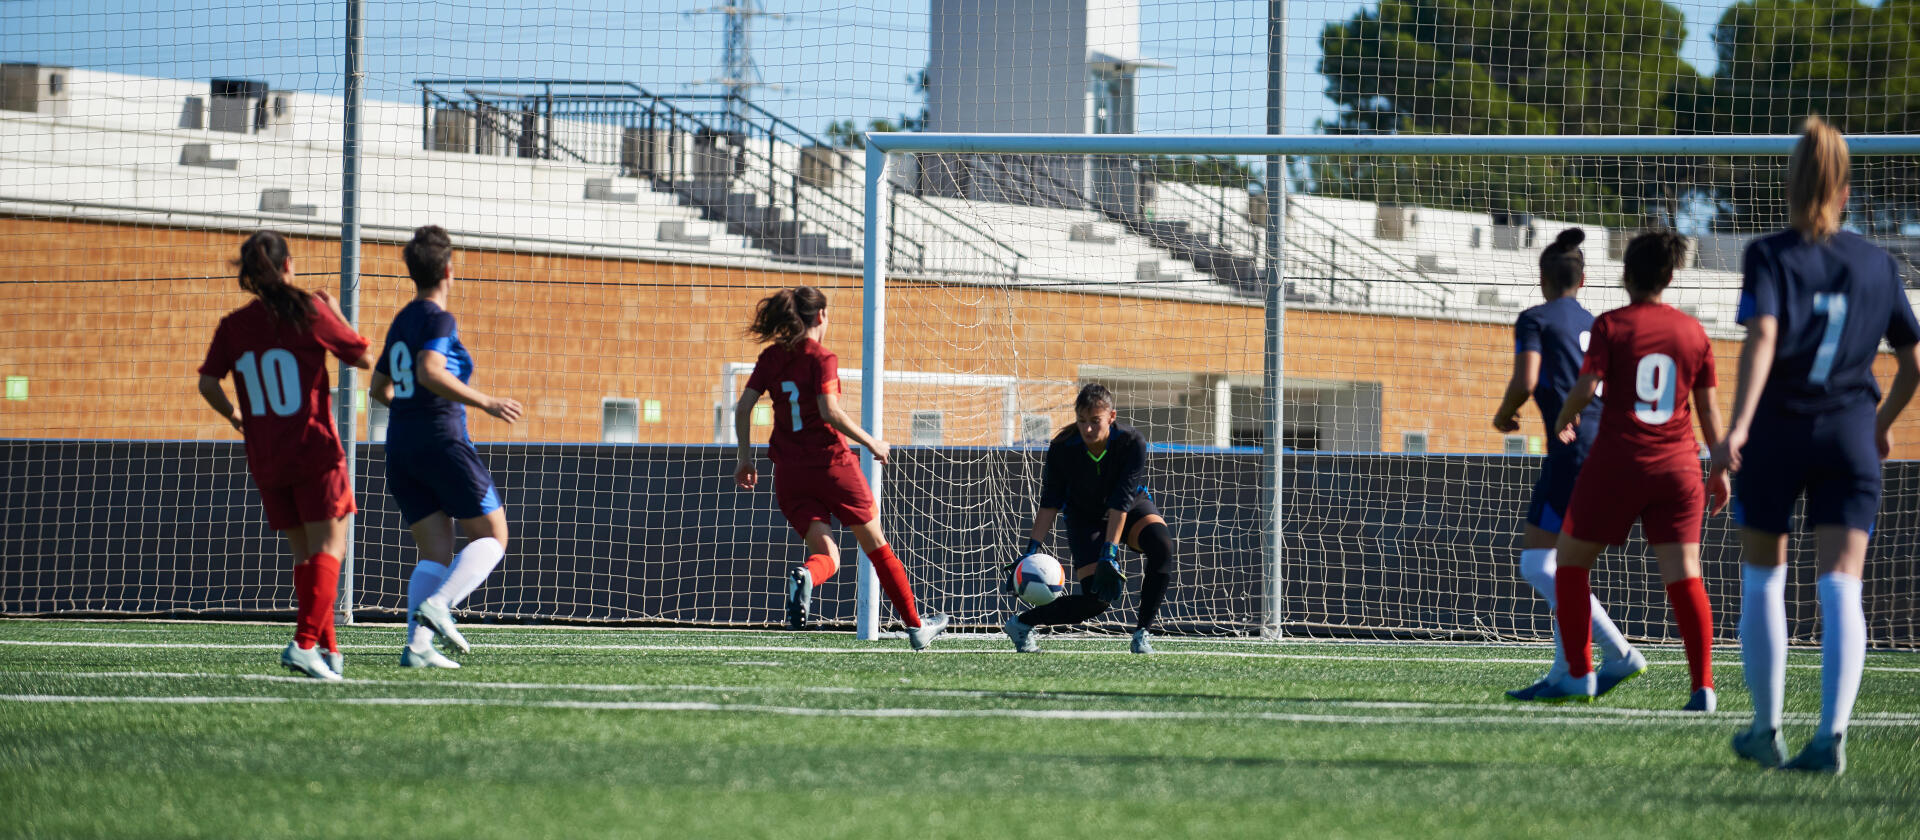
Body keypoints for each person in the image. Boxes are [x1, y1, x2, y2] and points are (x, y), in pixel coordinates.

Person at [1714, 118, 1920, 774]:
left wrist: (1738, 427)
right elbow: (1915, 360)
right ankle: (1830, 738)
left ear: (1792, 183)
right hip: (1850, 436)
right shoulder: (1879, 262)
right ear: (1847, 190)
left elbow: (1764, 336)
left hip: (1777, 432)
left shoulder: (1769, 253)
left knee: (1763, 580)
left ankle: (1767, 729)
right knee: (1840, 586)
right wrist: (1882, 423)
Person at [1536, 230, 1730, 710]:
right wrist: (1720, 468)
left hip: (1619, 462)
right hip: (1679, 467)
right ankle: (1702, 687)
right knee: (1685, 574)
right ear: (1670, 275)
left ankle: (1579, 674)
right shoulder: (1694, 332)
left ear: (1626, 275)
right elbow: (1708, 411)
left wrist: (1563, 418)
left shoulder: (1612, 325)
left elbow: (1586, 386)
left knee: (1570, 563)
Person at [732, 285, 949, 649]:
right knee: (877, 546)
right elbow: (829, 411)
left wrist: (744, 457)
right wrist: (872, 443)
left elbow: (742, 408)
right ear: (820, 316)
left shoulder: (770, 357)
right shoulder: (821, 358)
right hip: (832, 466)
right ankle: (915, 626)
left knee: (826, 556)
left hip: (789, 473)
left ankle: (806, 577)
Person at [197, 230, 372, 681]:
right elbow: (361, 356)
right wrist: (335, 311)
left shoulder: (233, 326)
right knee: (333, 548)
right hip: (314, 451)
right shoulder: (309, 310)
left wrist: (237, 416)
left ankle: (327, 650)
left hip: (268, 456)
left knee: (306, 557)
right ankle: (304, 643)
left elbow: (207, 384)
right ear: (289, 265)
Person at [1491, 228, 1646, 700]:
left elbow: (1527, 376)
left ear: (1543, 278)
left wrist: (1505, 412)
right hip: (1610, 446)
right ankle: (1566, 672)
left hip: (1573, 447)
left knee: (1539, 566)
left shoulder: (1535, 319)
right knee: (1563, 566)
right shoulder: (1599, 323)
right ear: (1584, 280)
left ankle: (1618, 653)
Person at [369, 225, 523, 669]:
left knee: (435, 550)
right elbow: (429, 370)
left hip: (400, 445)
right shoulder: (439, 319)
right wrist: (487, 402)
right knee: (493, 535)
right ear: (449, 271)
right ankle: (441, 604)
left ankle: (417, 648)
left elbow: (380, 388)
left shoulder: (402, 319)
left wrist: (413, 410)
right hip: (441, 441)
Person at [1002, 383, 1175, 654]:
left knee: (1162, 546)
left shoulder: (1132, 443)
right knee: (1095, 602)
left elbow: (1121, 501)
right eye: (1082, 421)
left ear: (1112, 417)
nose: (1088, 429)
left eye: (1095, 421)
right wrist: (1031, 551)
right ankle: (1022, 624)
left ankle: (1142, 633)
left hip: (1129, 507)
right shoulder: (1062, 448)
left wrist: (1109, 553)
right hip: (1085, 518)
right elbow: (1050, 503)